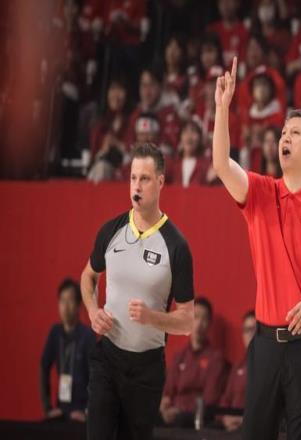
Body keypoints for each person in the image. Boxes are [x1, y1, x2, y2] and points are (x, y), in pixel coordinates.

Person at [212, 57, 301, 440]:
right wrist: (222, 109)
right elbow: (221, 164)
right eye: (283, 133)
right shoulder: (261, 193)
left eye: (295, 133)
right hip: (265, 347)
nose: (284, 138)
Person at [80, 143, 195, 440]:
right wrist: (92, 311)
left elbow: (187, 320)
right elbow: (88, 277)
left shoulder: (176, 246)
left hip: (146, 369)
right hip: (107, 358)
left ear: (160, 182)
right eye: (133, 178)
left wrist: (152, 317)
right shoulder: (111, 230)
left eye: (144, 178)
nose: (136, 186)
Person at [159, 297, 227, 427]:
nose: (199, 324)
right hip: (173, 413)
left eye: (204, 319)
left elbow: (209, 399)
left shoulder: (215, 358)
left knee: (180, 420)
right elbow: (168, 391)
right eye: (195, 317)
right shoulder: (179, 356)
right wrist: (165, 405)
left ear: (209, 324)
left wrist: (179, 410)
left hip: (194, 416)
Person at [40, 278, 95, 422]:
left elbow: (96, 377)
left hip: (81, 412)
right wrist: (47, 407)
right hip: (61, 410)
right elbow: (44, 366)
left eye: (70, 300)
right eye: (62, 300)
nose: (65, 306)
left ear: (78, 305)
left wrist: (88, 412)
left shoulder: (87, 336)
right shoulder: (55, 333)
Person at [220, 310, 257, 432]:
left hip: (253, 427)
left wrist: (243, 421)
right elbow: (226, 399)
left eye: (253, 329)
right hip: (231, 426)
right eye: (246, 330)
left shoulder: (270, 367)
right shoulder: (237, 366)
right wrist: (225, 418)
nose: (250, 334)